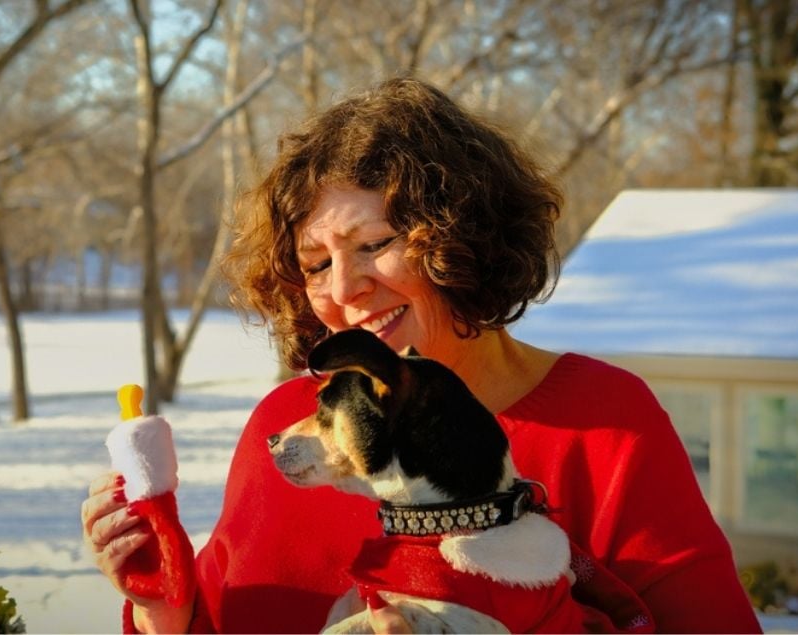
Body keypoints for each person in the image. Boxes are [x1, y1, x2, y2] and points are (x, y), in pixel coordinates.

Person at [81, 77, 760, 633]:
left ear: (462, 238)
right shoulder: (283, 426)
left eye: (374, 244)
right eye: (315, 264)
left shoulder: (604, 422)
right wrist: (162, 610)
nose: (343, 289)